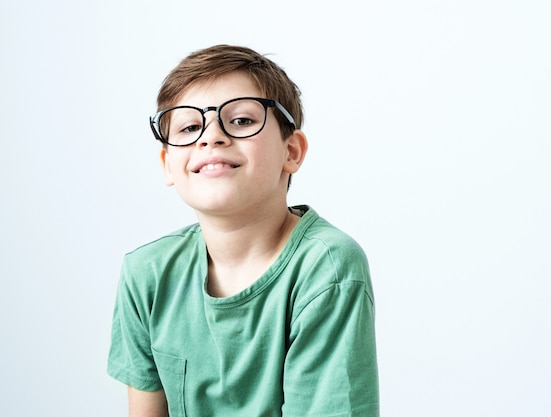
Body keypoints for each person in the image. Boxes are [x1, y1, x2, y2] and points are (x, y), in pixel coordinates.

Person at [107, 44, 379, 417]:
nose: (211, 137)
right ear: (168, 165)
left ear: (292, 151)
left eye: (241, 121)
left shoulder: (327, 268)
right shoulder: (147, 273)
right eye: (189, 127)